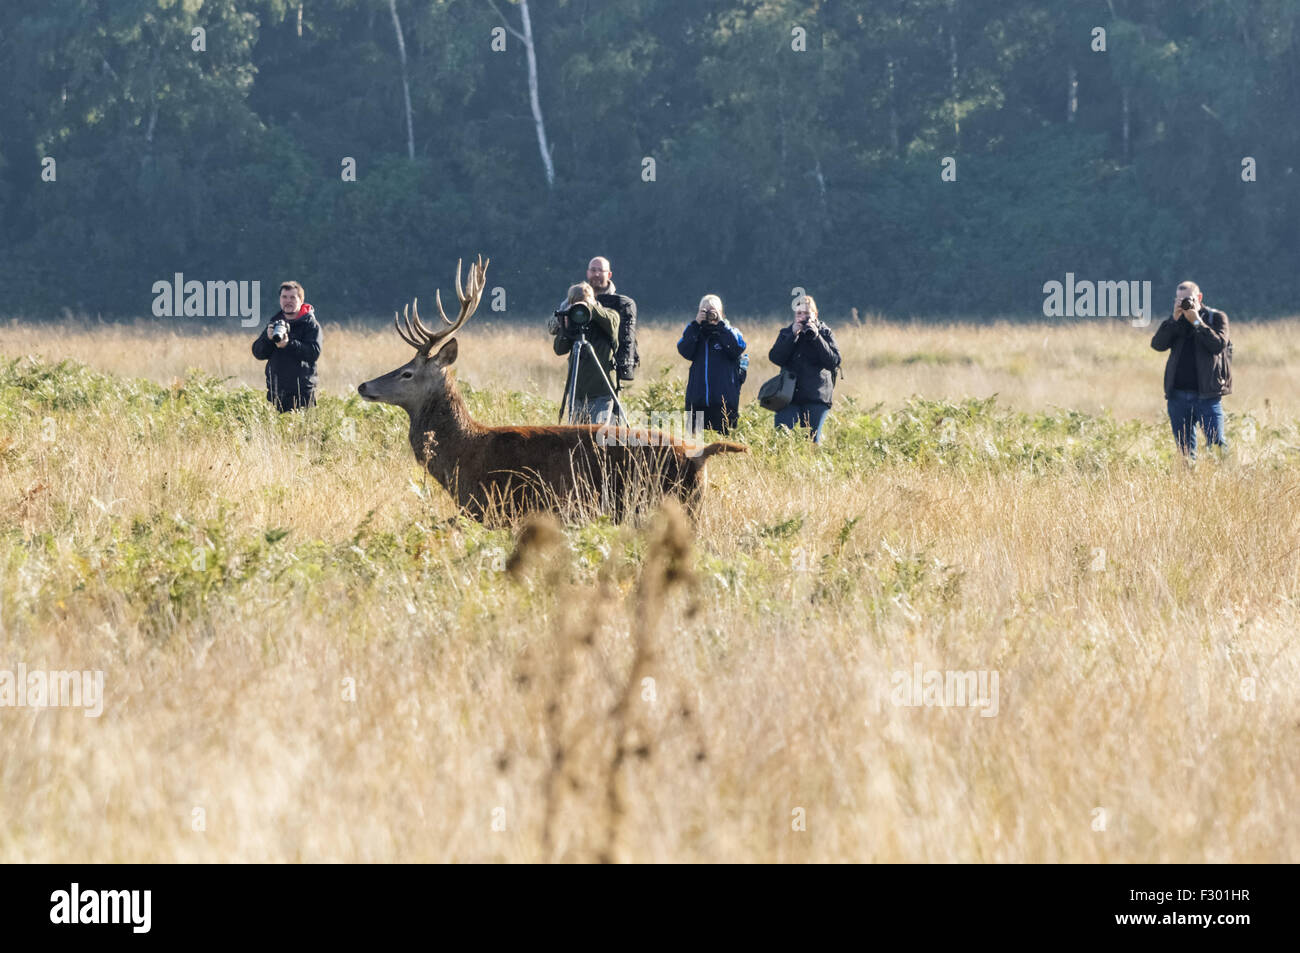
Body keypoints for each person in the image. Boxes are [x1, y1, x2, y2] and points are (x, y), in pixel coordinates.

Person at [1150, 280, 1232, 460]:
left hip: (1207, 395)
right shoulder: (1176, 322)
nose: (1184, 303)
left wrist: (1196, 321)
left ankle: (1225, 480)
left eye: (1188, 299)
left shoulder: (1215, 318)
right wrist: (1174, 319)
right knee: (1185, 450)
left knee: (1217, 444)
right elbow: (1157, 345)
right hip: (1177, 396)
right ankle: (1189, 482)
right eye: (1179, 300)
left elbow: (1218, 345)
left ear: (1199, 298)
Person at [768, 293, 841, 443]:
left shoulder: (825, 333)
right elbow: (775, 358)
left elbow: (833, 361)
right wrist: (792, 336)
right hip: (788, 396)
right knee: (781, 438)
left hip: (816, 396)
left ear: (815, 314)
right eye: (799, 313)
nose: (803, 317)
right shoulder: (787, 332)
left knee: (813, 441)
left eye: (807, 313)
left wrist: (816, 337)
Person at [551, 281, 621, 424]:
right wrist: (565, 326)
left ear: (593, 299)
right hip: (578, 394)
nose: (580, 310)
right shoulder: (572, 322)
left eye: (584, 302)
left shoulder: (609, 316)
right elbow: (559, 349)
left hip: (602, 393)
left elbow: (611, 323)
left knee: (598, 437)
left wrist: (590, 308)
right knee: (576, 439)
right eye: (576, 304)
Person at [677, 294, 746, 434]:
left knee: (724, 445)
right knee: (694, 445)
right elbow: (684, 350)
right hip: (697, 400)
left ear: (721, 312)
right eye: (705, 311)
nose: (709, 315)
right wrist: (696, 324)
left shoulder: (731, 332)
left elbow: (737, 348)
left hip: (724, 402)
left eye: (713, 311)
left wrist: (721, 325)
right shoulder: (695, 332)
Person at [252, 280, 321, 412]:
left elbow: (313, 353)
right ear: (280, 299)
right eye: (284, 297)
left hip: (302, 393)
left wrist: (288, 344)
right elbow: (258, 353)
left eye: (292, 297)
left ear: (301, 300)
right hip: (276, 391)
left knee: (304, 432)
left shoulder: (310, 325)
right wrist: (268, 338)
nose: (288, 301)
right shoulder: (274, 323)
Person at [585, 256, 639, 389]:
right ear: (587, 273)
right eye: (593, 270)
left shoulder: (621, 304)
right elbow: (554, 326)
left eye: (601, 271)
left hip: (610, 371)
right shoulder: (577, 300)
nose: (596, 274)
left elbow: (626, 339)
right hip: (582, 370)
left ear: (609, 274)